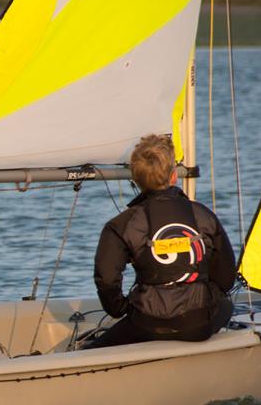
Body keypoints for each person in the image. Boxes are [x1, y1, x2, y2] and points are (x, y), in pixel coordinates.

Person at [86, 134, 235, 349]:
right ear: (173, 176)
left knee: (91, 349)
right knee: (226, 307)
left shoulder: (119, 225)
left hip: (146, 324)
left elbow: (107, 280)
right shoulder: (204, 216)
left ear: (136, 179)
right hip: (198, 323)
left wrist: (122, 308)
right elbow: (225, 279)